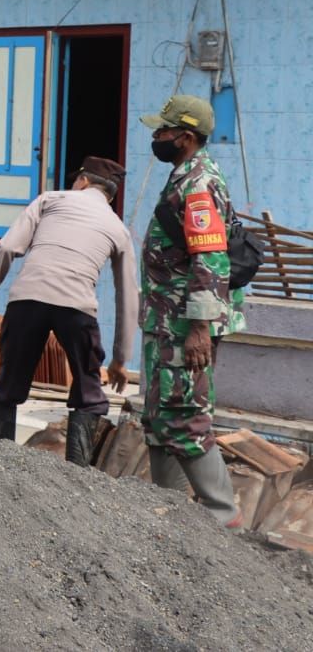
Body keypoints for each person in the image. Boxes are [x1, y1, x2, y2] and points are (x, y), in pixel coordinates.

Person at [0, 156, 138, 465]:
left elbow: (7, 248)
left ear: (83, 181)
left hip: (27, 299)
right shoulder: (117, 227)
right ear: (109, 194)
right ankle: (76, 473)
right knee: (88, 392)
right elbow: (127, 295)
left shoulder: (51, 200)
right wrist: (120, 359)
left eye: (76, 180)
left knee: (9, 384)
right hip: (77, 306)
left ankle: (0, 462)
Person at [139, 95, 244, 527]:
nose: (155, 136)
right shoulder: (183, 177)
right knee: (159, 417)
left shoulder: (198, 184)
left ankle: (224, 520)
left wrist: (199, 327)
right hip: (166, 321)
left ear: (184, 136)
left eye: (162, 130)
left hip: (184, 325)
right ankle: (170, 517)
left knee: (184, 417)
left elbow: (210, 259)